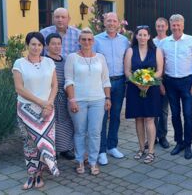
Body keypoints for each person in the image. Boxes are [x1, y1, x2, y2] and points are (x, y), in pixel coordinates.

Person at [12, 32, 59, 190]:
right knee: (30, 143)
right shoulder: (19, 63)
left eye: (39, 45)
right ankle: (32, 174)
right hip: (26, 110)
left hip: (48, 109)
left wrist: (49, 104)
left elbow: (55, 86)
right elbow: (19, 88)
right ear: (27, 45)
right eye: (33, 44)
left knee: (45, 142)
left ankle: (41, 174)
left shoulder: (49, 62)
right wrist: (41, 103)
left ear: (43, 46)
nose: (36, 47)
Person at [64, 28, 111, 176]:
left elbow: (105, 80)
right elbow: (68, 80)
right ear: (79, 41)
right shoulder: (72, 58)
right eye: (83, 39)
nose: (87, 42)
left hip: (98, 100)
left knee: (95, 133)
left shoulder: (101, 58)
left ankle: (92, 161)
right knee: (80, 132)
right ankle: (79, 160)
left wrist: (108, 98)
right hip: (78, 101)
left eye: (89, 39)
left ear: (93, 41)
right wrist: (72, 100)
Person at [160, 14, 192, 159]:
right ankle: (179, 142)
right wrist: (161, 83)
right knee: (175, 114)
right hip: (170, 82)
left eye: (178, 25)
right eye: (174, 25)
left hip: (187, 82)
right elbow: (162, 63)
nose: (176, 27)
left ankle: (188, 145)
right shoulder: (164, 42)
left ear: (183, 25)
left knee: (188, 115)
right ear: (170, 26)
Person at [124, 26, 164, 164]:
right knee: (139, 119)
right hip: (134, 89)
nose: (142, 37)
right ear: (136, 36)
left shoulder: (156, 50)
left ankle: (151, 151)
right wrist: (138, 83)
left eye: (144, 35)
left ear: (149, 37)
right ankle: (141, 148)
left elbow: (159, 70)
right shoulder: (130, 51)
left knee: (149, 119)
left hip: (151, 89)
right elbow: (127, 71)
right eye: (139, 35)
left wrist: (148, 82)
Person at [94, 12, 129, 165]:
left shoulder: (125, 41)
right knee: (102, 117)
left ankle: (112, 146)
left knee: (115, 115)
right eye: (109, 21)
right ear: (104, 23)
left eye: (114, 21)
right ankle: (101, 150)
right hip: (102, 82)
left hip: (120, 81)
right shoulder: (96, 40)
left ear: (118, 23)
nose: (111, 23)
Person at [45, 33, 75, 160]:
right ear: (47, 46)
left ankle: (65, 149)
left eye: (59, 43)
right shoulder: (45, 61)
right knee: (52, 124)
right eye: (53, 44)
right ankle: (53, 151)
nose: (57, 46)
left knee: (66, 123)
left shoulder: (65, 61)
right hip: (50, 98)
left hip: (64, 97)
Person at [153, 17, 170, 149]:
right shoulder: (151, 42)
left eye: (162, 26)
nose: (160, 28)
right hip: (152, 79)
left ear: (167, 27)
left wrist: (162, 83)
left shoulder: (170, 41)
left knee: (163, 110)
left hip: (166, 79)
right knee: (153, 110)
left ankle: (162, 136)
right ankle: (152, 137)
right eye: (158, 26)